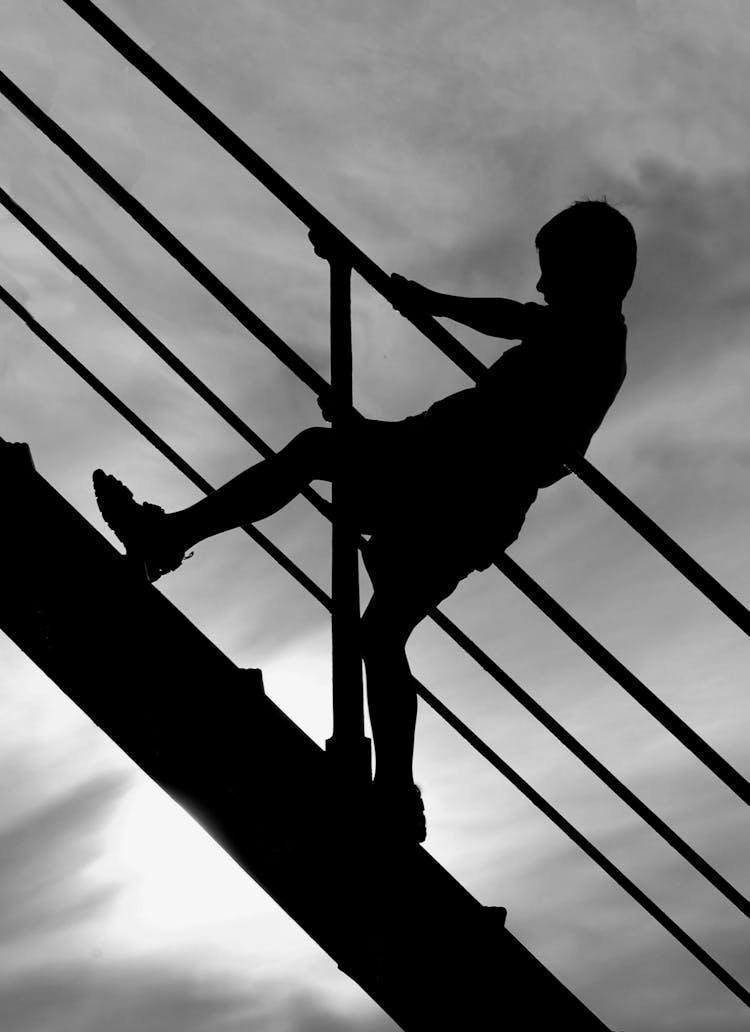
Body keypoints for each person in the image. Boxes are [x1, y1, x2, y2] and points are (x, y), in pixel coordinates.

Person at [93, 198, 637, 844]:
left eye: (553, 271)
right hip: (453, 479)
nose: (542, 286)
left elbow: (514, 328)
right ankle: (398, 794)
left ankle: (165, 540)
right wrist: (368, 430)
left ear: (593, 271)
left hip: (459, 490)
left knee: (320, 472)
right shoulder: (582, 338)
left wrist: (430, 302)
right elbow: (477, 416)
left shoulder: (594, 338)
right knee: (378, 627)